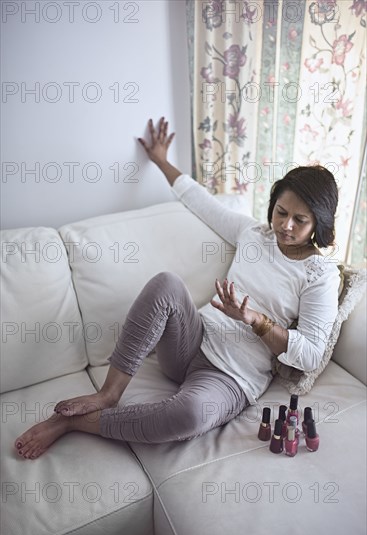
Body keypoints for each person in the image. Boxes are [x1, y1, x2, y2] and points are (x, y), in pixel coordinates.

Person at [14, 117, 340, 459]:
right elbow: (201, 201)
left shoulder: (319, 275)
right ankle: (109, 393)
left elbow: (311, 354)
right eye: (280, 212)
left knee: (190, 414)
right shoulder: (254, 235)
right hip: (191, 341)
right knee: (167, 283)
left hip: (232, 378)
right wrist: (160, 160)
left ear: (319, 223)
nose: (285, 226)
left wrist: (255, 320)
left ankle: (74, 424)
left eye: (299, 220)